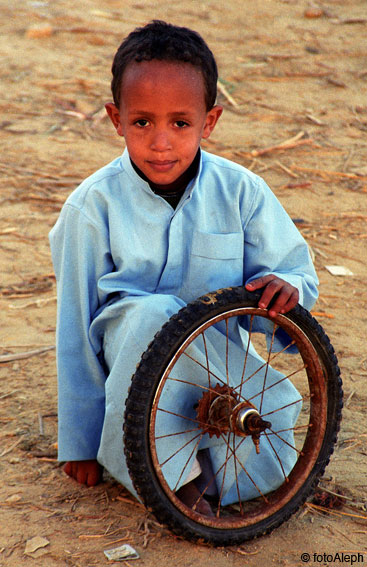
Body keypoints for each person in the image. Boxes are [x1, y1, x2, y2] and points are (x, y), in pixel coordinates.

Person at [49, 21, 318, 510]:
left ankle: (210, 476)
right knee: (155, 315)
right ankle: (177, 477)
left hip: (213, 363)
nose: (160, 143)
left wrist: (288, 287)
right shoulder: (91, 207)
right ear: (116, 118)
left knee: (277, 410)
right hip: (131, 378)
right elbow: (74, 328)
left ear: (209, 122)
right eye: (142, 122)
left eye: (180, 123)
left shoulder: (243, 193)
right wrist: (80, 442)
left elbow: (296, 273)